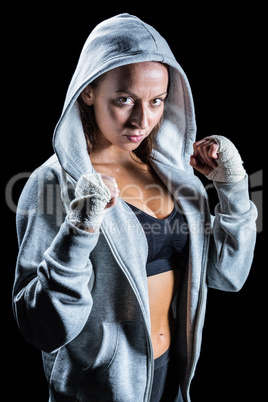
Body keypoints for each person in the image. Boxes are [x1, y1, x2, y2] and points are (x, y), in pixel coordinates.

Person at [12, 13, 257, 402]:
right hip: (102, 387)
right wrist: (79, 231)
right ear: (89, 91)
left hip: (174, 376)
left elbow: (226, 274)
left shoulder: (171, 173)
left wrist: (234, 189)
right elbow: (41, 326)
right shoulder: (52, 183)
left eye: (156, 101)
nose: (142, 120)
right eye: (125, 99)